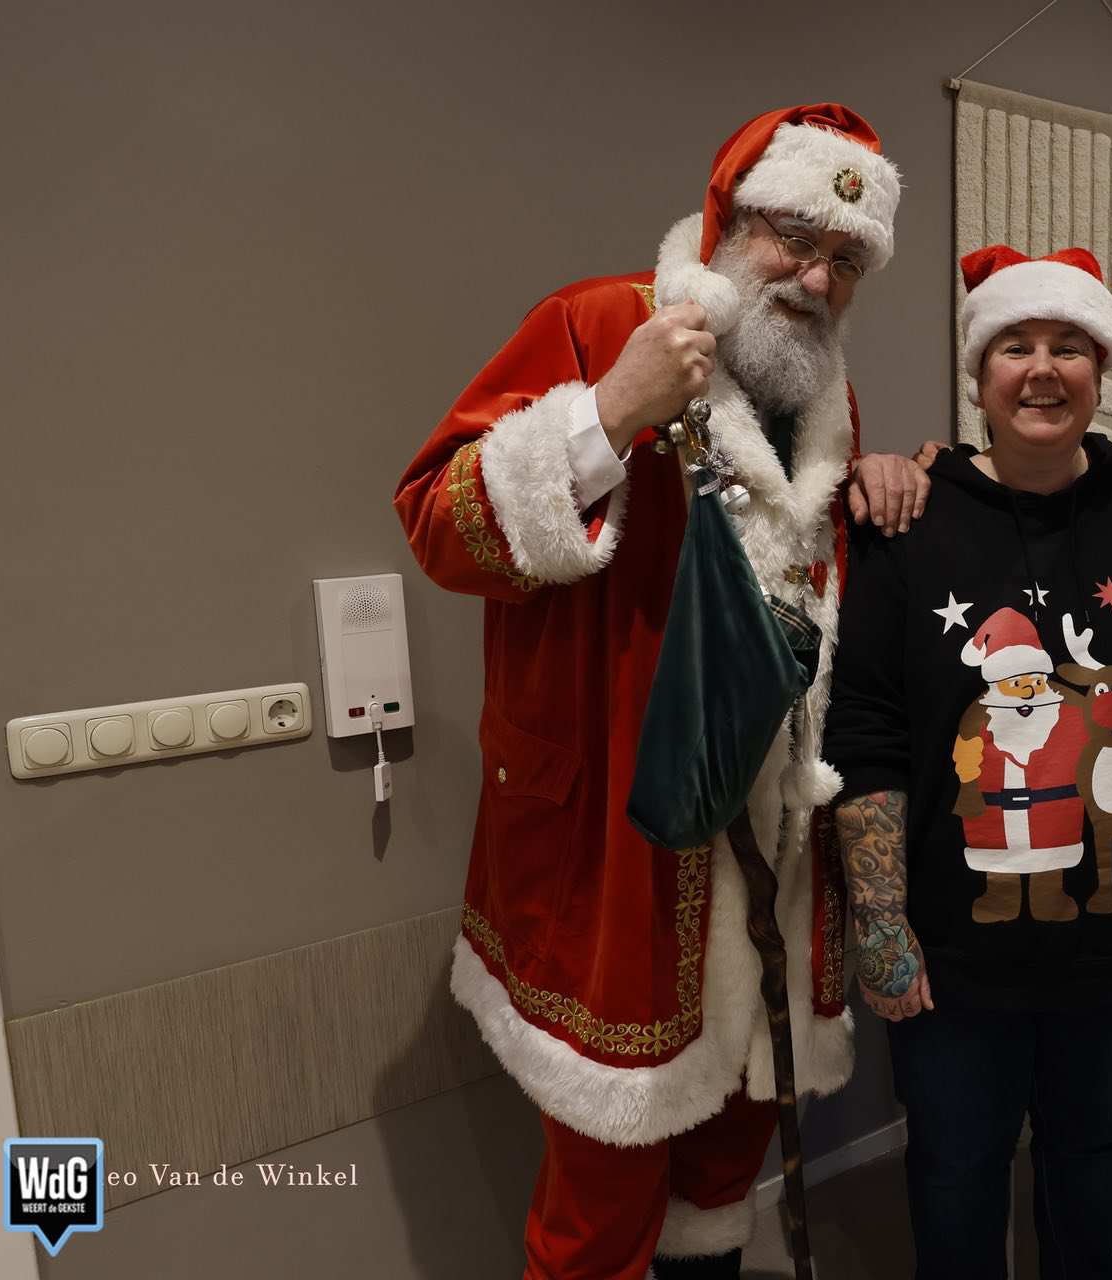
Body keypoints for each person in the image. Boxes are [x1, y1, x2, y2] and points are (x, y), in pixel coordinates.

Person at [394, 104, 931, 1280]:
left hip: (774, 862)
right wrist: (607, 413)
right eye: (795, 236)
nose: (816, 276)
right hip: (615, 860)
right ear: (727, 218)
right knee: (598, 1212)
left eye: (846, 259)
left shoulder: (826, 396)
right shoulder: (599, 323)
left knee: (721, 1180)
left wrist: (884, 474)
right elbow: (436, 520)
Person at [825, 245, 1112, 1278]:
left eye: (1069, 345)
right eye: (1015, 345)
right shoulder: (905, 518)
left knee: (1093, 1153)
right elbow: (867, 731)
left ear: (1100, 369)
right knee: (954, 1166)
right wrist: (880, 923)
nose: (1042, 369)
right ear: (978, 373)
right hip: (951, 945)